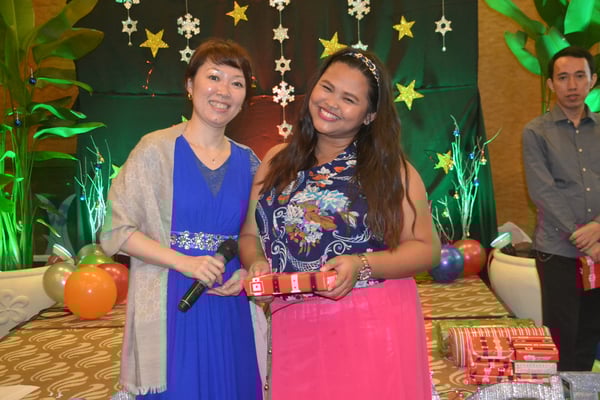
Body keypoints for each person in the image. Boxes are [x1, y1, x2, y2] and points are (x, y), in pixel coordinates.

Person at [239, 48, 441, 399]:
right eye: (327, 88)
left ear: (369, 115)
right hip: (293, 326)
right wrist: (256, 263)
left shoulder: (392, 171)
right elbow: (249, 235)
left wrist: (361, 264)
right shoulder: (275, 161)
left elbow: (427, 250)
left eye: (349, 99)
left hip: (366, 325)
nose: (331, 103)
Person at [100, 38, 262, 399]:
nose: (224, 91)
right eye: (214, 77)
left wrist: (246, 274)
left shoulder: (251, 162)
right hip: (172, 296)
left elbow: (255, 236)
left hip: (228, 298)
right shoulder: (154, 150)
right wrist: (184, 263)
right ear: (190, 85)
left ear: (244, 98)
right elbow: (116, 230)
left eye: (236, 83)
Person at [523, 45, 600, 371]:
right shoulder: (536, 132)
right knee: (561, 336)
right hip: (558, 252)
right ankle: (562, 391)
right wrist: (585, 238)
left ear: (592, 81)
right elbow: (543, 191)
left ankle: (583, 392)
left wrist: (599, 227)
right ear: (551, 84)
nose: (572, 85)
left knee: (591, 333)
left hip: (599, 248)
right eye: (563, 77)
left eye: (580, 76)